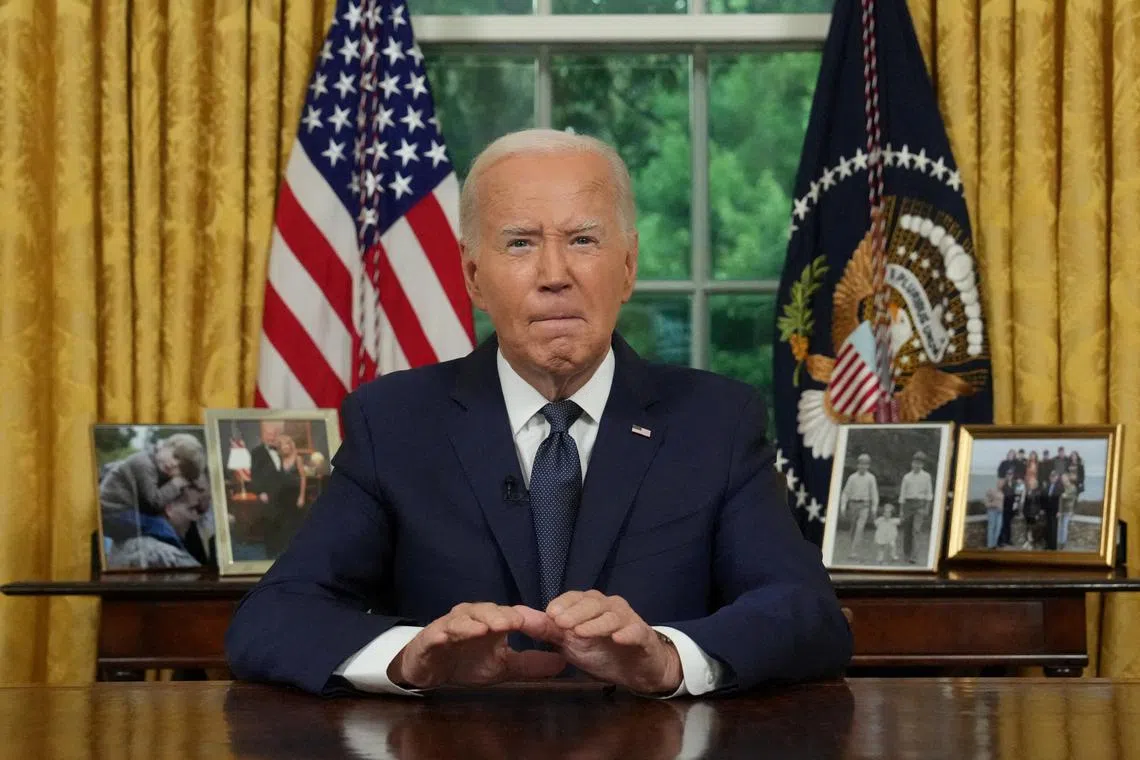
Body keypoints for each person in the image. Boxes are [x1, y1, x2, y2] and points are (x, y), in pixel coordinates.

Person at [225, 130, 851, 697]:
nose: (556, 274)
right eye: (521, 243)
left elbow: (804, 611)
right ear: (473, 275)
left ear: (627, 266)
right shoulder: (392, 422)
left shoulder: (716, 420)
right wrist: (407, 658)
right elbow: (273, 617)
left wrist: (668, 660)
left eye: (583, 240)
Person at [839, 453, 879, 560]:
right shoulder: (852, 478)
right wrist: (843, 506)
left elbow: (874, 494)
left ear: (868, 466)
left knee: (860, 528)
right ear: (858, 465)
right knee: (853, 528)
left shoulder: (871, 478)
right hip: (853, 505)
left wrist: (874, 508)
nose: (863, 466)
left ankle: (853, 551)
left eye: (865, 464)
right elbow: (846, 493)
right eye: (861, 464)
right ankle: (853, 547)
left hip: (864, 506)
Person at [897, 450, 934, 563]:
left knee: (916, 530)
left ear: (922, 464)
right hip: (908, 505)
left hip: (920, 505)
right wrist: (901, 510)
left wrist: (927, 507)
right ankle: (906, 554)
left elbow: (929, 493)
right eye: (915, 463)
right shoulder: (907, 477)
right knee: (907, 531)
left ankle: (914, 556)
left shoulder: (926, 476)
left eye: (919, 463)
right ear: (912, 463)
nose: (916, 465)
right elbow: (902, 494)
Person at [996, 449, 1018, 547]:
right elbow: (999, 492)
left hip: (1011, 505)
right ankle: (1000, 541)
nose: (1010, 475)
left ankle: (1008, 540)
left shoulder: (1014, 483)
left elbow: (1016, 494)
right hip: (1004, 505)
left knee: (1008, 523)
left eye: (1011, 474)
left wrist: (1015, 504)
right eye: (1008, 474)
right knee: (1002, 523)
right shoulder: (1003, 483)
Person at [1057, 473, 1079, 549]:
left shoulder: (1072, 487)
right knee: (1060, 526)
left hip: (1068, 509)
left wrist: (1072, 511)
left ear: (1068, 478)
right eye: (1062, 478)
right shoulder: (1062, 487)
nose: (1063, 479)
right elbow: (1061, 498)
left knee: (1064, 526)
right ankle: (1059, 542)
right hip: (1061, 510)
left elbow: (1069, 497)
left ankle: (1062, 543)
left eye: (1064, 478)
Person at [984, 477, 1005, 549]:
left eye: (1002, 484)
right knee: (991, 527)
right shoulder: (992, 491)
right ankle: (990, 545)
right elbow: (986, 502)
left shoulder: (1002, 492)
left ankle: (994, 544)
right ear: (997, 483)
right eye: (999, 483)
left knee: (998, 528)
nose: (1001, 485)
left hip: (1000, 512)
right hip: (992, 511)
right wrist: (993, 505)